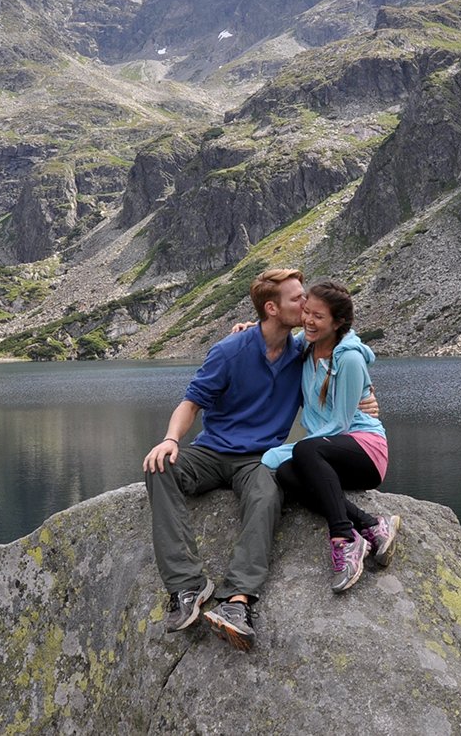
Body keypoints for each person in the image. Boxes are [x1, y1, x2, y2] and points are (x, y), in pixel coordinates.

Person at [140, 267, 308, 653]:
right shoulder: (230, 350)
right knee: (159, 466)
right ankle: (187, 586)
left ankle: (236, 603)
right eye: (297, 297)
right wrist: (169, 440)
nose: (306, 301)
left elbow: (345, 356)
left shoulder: (304, 353)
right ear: (272, 307)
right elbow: (192, 402)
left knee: (267, 497)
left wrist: (365, 400)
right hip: (211, 452)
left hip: (260, 458)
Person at [262, 279, 400, 594]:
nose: (308, 320)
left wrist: (278, 452)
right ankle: (371, 524)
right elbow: (269, 341)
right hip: (327, 452)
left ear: (337, 323)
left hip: (366, 451)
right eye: (306, 312)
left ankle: (345, 538)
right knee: (286, 474)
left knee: (298, 455)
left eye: (318, 316)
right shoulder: (305, 345)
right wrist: (247, 329)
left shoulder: (348, 359)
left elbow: (339, 425)